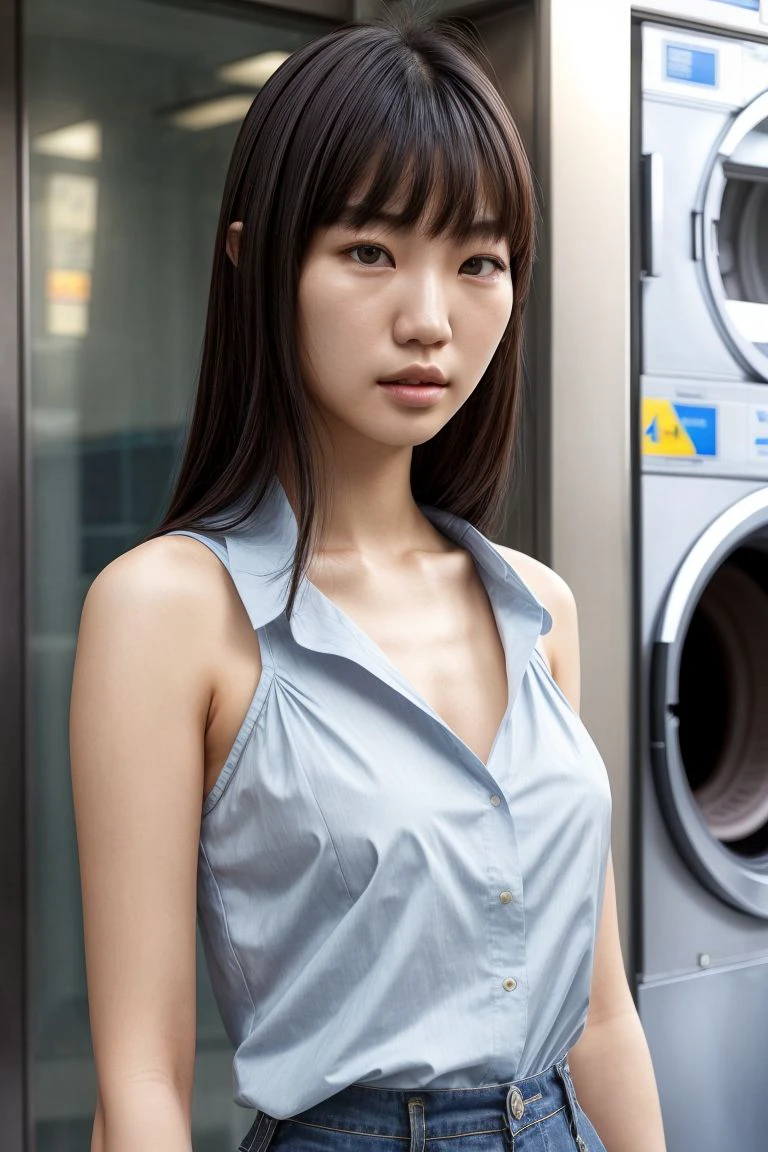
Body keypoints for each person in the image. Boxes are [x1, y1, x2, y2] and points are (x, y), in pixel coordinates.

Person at [69, 5, 667, 1151]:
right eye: (369, 251)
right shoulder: (169, 611)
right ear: (257, 265)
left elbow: (601, 1018)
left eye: (479, 261)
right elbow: (138, 1083)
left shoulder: (539, 609)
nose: (430, 319)